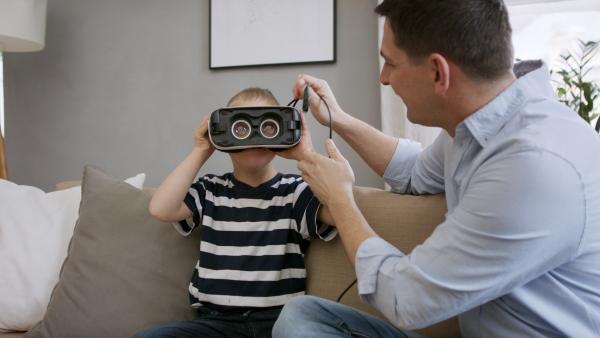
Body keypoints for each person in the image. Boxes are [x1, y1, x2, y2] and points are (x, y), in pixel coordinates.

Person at [272, 0, 600, 337]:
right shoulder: (478, 126)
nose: (384, 78)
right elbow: (414, 172)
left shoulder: (533, 166)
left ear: (438, 72)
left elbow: (405, 300)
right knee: (303, 317)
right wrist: (337, 118)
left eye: (390, 63)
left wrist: (340, 200)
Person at [135, 87, 337, 338]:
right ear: (222, 135)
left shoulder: (295, 192)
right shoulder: (210, 190)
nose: (253, 137)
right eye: (240, 128)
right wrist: (202, 150)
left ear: (283, 132)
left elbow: (340, 210)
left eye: (268, 127)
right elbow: (160, 209)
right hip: (214, 322)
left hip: (280, 322)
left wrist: (305, 154)